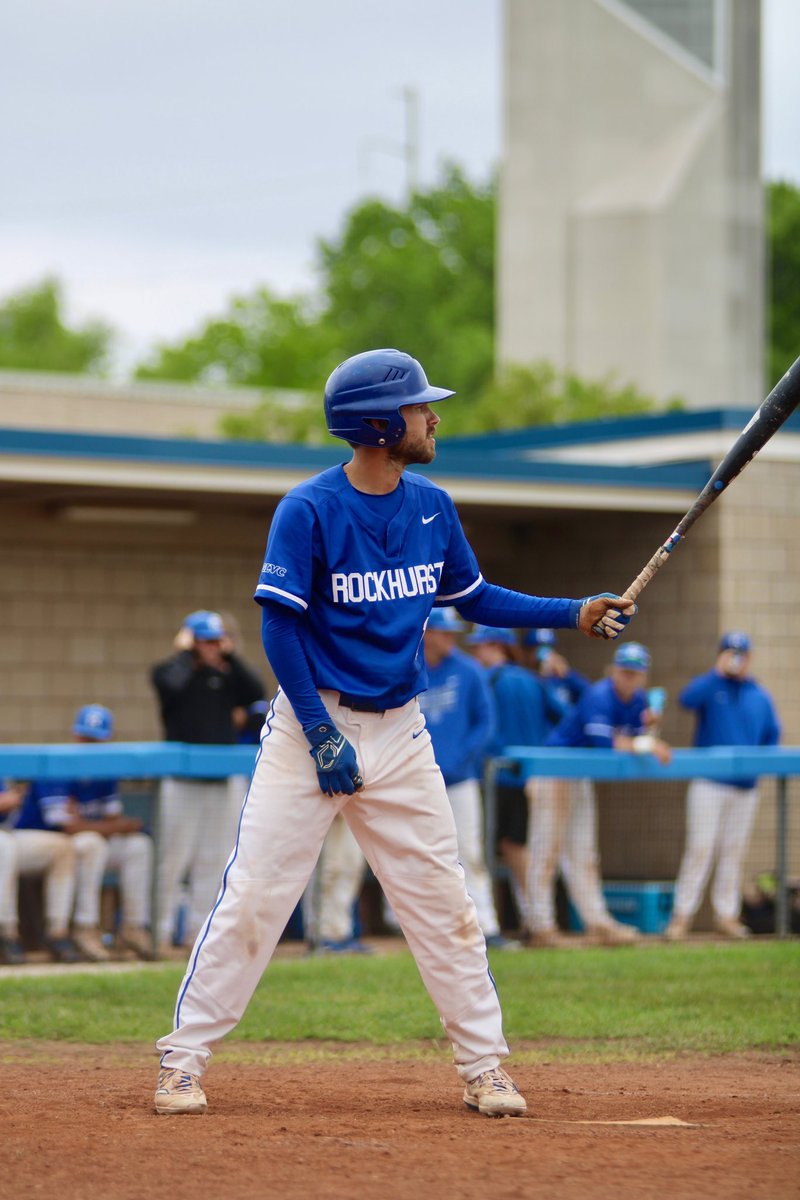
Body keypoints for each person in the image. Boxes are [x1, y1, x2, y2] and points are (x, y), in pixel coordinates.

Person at [153, 347, 633, 1118]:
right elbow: (279, 630)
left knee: (445, 901)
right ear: (377, 424)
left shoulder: (431, 505)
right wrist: (319, 733)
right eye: (418, 406)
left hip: (402, 732)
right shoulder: (308, 509)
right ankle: (182, 1060)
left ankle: (484, 1067)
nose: (433, 415)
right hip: (312, 724)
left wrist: (571, 611)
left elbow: (475, 597)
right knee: (255, 898)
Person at [527, 642, 672, 947]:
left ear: (643, 676)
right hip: (555, 768)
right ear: (614, 670)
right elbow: (604, 744)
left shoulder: (639, 701)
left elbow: (632, 738)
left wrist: (648, 732)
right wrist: (644, 744)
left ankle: (597, 922)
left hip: (580, 774)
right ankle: (540, 926)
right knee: (547, 848)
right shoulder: (599, 694)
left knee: (584, 851)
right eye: (624, 671)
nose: (628, 678)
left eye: (635, 673)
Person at [150, 609, 265, 950]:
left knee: (214, 859)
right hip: (181, 779)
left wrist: (229, 655)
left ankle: (198, 934)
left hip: (221, 777)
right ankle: (159, 932)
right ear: (191, 642)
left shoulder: (228, 675)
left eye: (216, 641)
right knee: (172, 858)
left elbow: (256, 690)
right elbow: (167, 684)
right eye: (204, 641)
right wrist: (188, 654)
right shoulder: (173, 671)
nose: (212, 648)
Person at [665, 632, 781, 940]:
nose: (736, 658)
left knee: (734, 851)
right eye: (731, 652)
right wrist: (717, 672)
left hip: (745, 786)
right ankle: (681, 917)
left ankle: (727, 915)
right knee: (700, 849)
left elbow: (772, 734)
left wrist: (759, 766)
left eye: (741, 654)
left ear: (750, 658)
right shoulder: (710, 685)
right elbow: (685, 700)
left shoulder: (759, 694)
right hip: (709, 782)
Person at [16, 705, 155, 962]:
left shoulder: (105, 769)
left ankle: (134, 927)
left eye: (96, 740)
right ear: (75, 735)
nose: (89, 745)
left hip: (77, 844)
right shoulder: (58, 763)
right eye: (85, 738)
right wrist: (109, 826)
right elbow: (69, 827)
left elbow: (110, 819)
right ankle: (85, 928)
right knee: (92, 843)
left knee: (138, 845)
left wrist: (93, 823)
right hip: (41, 842)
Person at [420, 608, 515, 950]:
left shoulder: (468, 671)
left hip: (460, 781)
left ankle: (485, 926)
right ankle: (423, 933)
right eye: (443, 632)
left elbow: (486, 723)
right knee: (415, 857)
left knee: (469, 852)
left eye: (451, 633)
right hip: (416, 784)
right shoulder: (408, 666)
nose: (450, 638)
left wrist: (462, 758)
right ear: (426, 633)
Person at [466, 625, 566, 936]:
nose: (476, 652)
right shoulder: (533, 680)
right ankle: (534, 919)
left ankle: (531, 921)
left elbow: (483, 728)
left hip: (502, 777)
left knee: (506, 850)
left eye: (480, 646)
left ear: (497, 646)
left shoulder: (488, 679)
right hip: (536, 776)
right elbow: (565, 717)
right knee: (521, 849)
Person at [0, 779, 79, 965]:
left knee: (62, 847)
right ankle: (6, 932)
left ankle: (58, 932)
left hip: (8, 832)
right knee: (5, 846)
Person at [302, 814, 370, 954]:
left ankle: (341, 933)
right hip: (328, 799)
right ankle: (320, 934)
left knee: (350, 867)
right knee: (329, 869)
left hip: (356, 801)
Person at [521, 628, 590, 715]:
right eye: (537, 649)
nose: (544, 655)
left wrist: (567, 674)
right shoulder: (521, 677)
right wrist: (543, 678)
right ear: (528, 652)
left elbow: (589, 695)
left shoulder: (562, 677)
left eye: (548, 648)